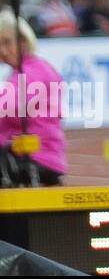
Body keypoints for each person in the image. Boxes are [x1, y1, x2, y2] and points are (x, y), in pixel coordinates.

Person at [0, 9, 67, 186]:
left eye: (7, 42)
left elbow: (10, 106)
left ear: (23, 41)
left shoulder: (33, 71)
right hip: (24, 156)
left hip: (36, 158)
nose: (3, 50)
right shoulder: (22, 72)